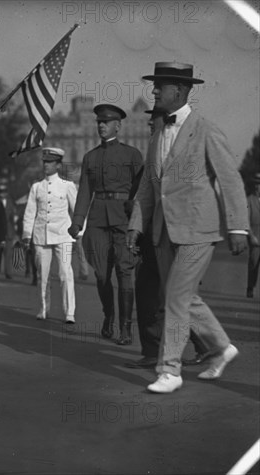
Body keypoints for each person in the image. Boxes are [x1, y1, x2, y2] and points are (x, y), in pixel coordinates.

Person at [128, 62, 248, 393]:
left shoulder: (206, 130)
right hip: (164, 230)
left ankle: (169, 369)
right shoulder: (156, 137)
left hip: (199, 228)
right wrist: (135, 225)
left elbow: (231, 179)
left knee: (176, 298)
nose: (153, 91)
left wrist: (239, 227)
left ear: (179, 91)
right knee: (182, 296)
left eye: (159, 86)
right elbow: (148, 189)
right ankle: (221, 348)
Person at [125, 108, 208, 369]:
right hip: (150, 238)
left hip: (175, 238)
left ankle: (206, 343)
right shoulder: (152, 153)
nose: (151, 123)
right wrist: (135, 227)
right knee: (147, 292)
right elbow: (142, 194)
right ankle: (151, 351)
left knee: (175, 295)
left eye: (156, 120)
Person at [68, 104, 143, 345]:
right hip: (98, 221)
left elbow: (140, 191)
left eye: (107, 122)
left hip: (123, 219)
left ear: (118, 126)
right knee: (101, 275)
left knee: (124, 273)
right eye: (99, 122)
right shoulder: (91, 157)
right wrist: (77, 222)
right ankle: (108, 315)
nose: (101, 125)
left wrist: (138, 221)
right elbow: (84, 193)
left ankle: (125, 328)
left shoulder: (132, 155)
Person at [23, 147, 77, 323]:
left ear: (58, 165)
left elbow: (76, 210)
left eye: (50, 162)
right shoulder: (37, 187)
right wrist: (26, 235)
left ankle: (69, 312)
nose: (46, 165)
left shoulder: (68, 186)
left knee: (65, 273)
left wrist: (80, 232)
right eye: (44, 162)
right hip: (41, 236)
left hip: (63, 234)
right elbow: (30, 212)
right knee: (43, 275)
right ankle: (44, 308)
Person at [0, 184, 18, 279]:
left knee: (8, 254)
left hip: (9, 231)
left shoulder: (10, 201)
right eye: (1, 191)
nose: (3, 193)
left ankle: (8, 272)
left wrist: (14, 233)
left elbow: (13, 218)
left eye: (4, 191)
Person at [245, 173, 260, 298]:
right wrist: (251, 236)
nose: (259, 187)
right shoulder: (249, 200)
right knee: (253, 263)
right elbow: (245, 220)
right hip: (256, 237)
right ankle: (251, 287)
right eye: (258, 185)